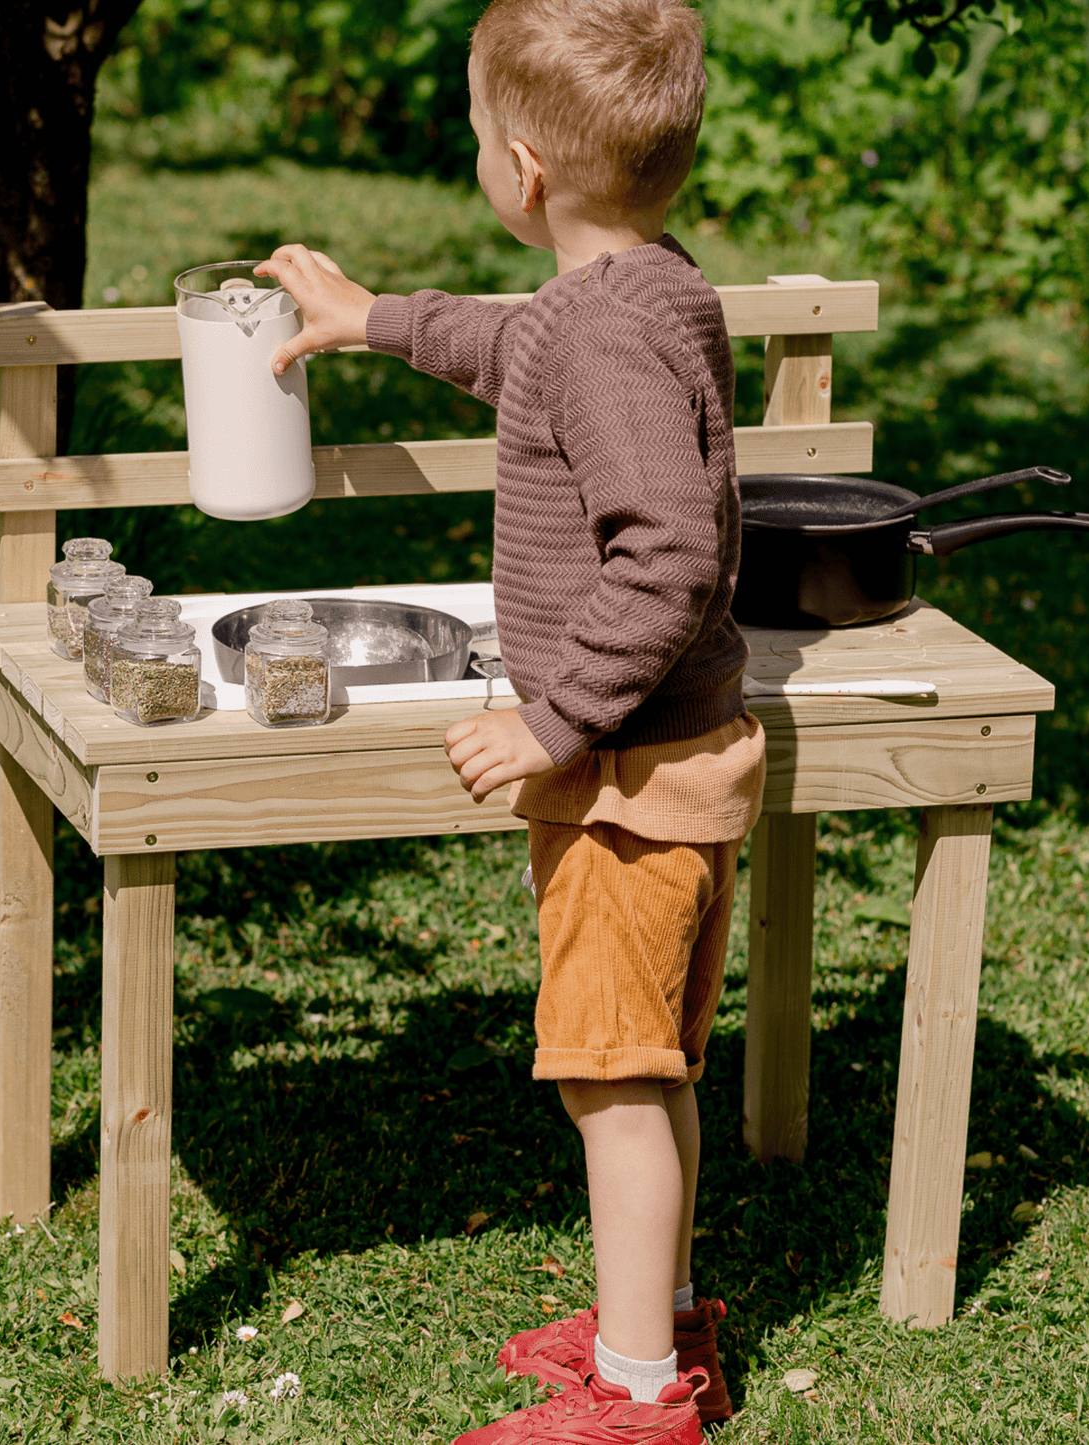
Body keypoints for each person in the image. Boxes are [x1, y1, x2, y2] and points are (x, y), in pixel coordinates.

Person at [256, 1, 765, 1438]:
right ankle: (654, 1322)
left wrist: (556, 721)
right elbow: (518, 344)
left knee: (611, 1082)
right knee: (638, 1071)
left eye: (481, 135)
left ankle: (641, 1395)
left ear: (524, 170)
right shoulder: (636, 290)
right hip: (657, 755)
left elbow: (666, 548)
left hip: (627, 776)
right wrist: (378, 321)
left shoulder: (601, 336)